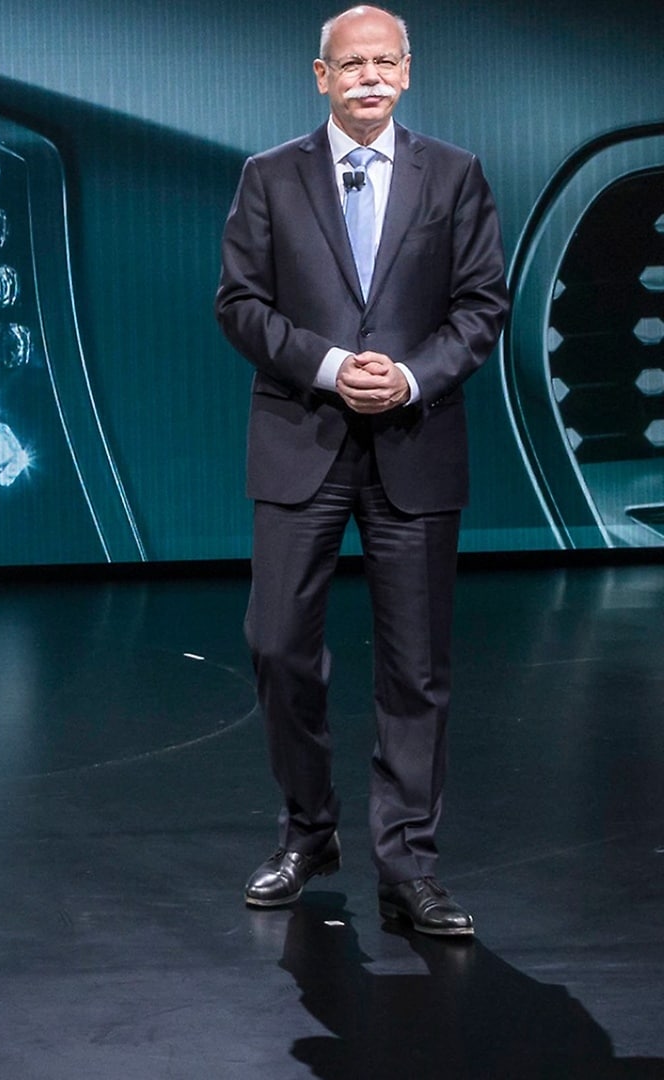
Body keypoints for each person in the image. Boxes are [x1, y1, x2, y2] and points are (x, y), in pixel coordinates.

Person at [214, 5, 508, 935]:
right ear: (322, 76)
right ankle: (309, 830)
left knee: (415, 670)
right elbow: (240, 304)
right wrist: (335, 367)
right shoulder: (270, 176)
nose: (371, 77)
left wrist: (411, 375)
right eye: (354, 64)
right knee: (277, 645)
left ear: (408, 72)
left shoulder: (455, 176)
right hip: (301, 434)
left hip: (415, 445)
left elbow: (482, 303)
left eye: (387, 62)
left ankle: (408, 866)